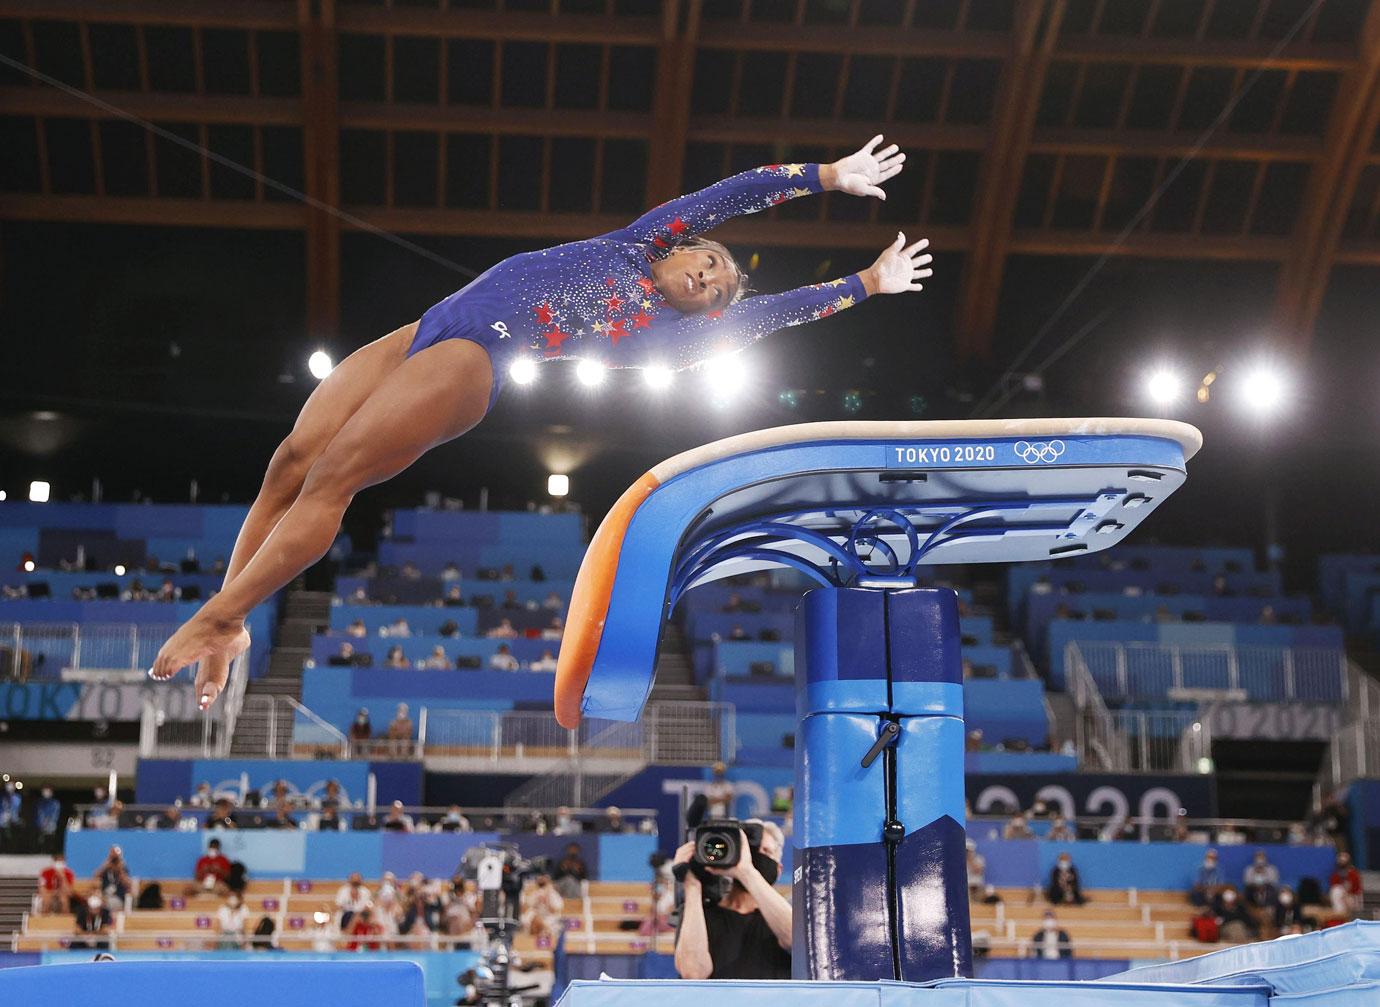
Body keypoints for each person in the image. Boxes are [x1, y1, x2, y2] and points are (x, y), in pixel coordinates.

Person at [146, 137, 929, 709]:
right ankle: (231, 615)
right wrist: (828, 176)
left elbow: (782, 310)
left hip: (476, 358)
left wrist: (868, 282)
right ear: (683, 247)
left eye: (721, 290)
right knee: (290, 460)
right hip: (429, 324)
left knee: (333, 473)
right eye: (713, 263)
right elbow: (733, 193)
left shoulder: (676, 332)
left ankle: (220, 615)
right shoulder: (641, 240)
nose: (713, 281)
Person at [674, 820, 791, 979]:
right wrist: (692, 884)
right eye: (749, 850)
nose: (752, 857)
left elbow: (795, 940)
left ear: (779, 870)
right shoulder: (699, 914)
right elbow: (693, 973)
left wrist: (746, 871)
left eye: (766, 851)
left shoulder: (785, 915)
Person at [520, 875, 565, 940]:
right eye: (541, 885)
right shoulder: (536, 893)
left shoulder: (554, 895)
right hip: (537, 917)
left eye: (544, 885)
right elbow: (525, 908)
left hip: (550, 918)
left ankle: (544, 935)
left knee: (547, 923)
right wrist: (537, 902)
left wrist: (546, 901)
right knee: (526, 918)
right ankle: (529, 940)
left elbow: (555, 911)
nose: (542, 888)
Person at [35, 787, 62, 852]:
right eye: (44, 790)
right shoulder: (40, 803)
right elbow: (39, 814)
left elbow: (55, 815)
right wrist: (41, 823)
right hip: (41, 827)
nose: (46, 792)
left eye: (48, 791)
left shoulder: (55, 803)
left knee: (50, 841)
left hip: (51, 827)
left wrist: (49, 822)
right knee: (41, 842)